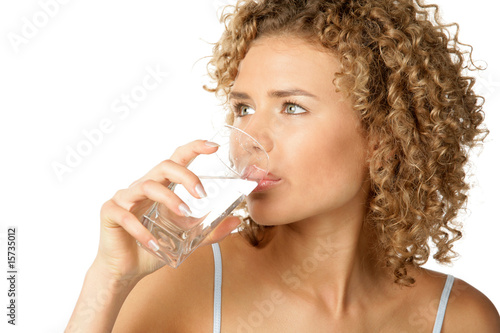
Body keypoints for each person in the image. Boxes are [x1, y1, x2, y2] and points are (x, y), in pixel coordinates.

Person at [66, 0, 500, 332]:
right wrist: (108, 281)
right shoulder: (187, 285)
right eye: (243, 108)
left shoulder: (458, 317)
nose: (251, 140)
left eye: (291, 107)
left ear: (385, 137)